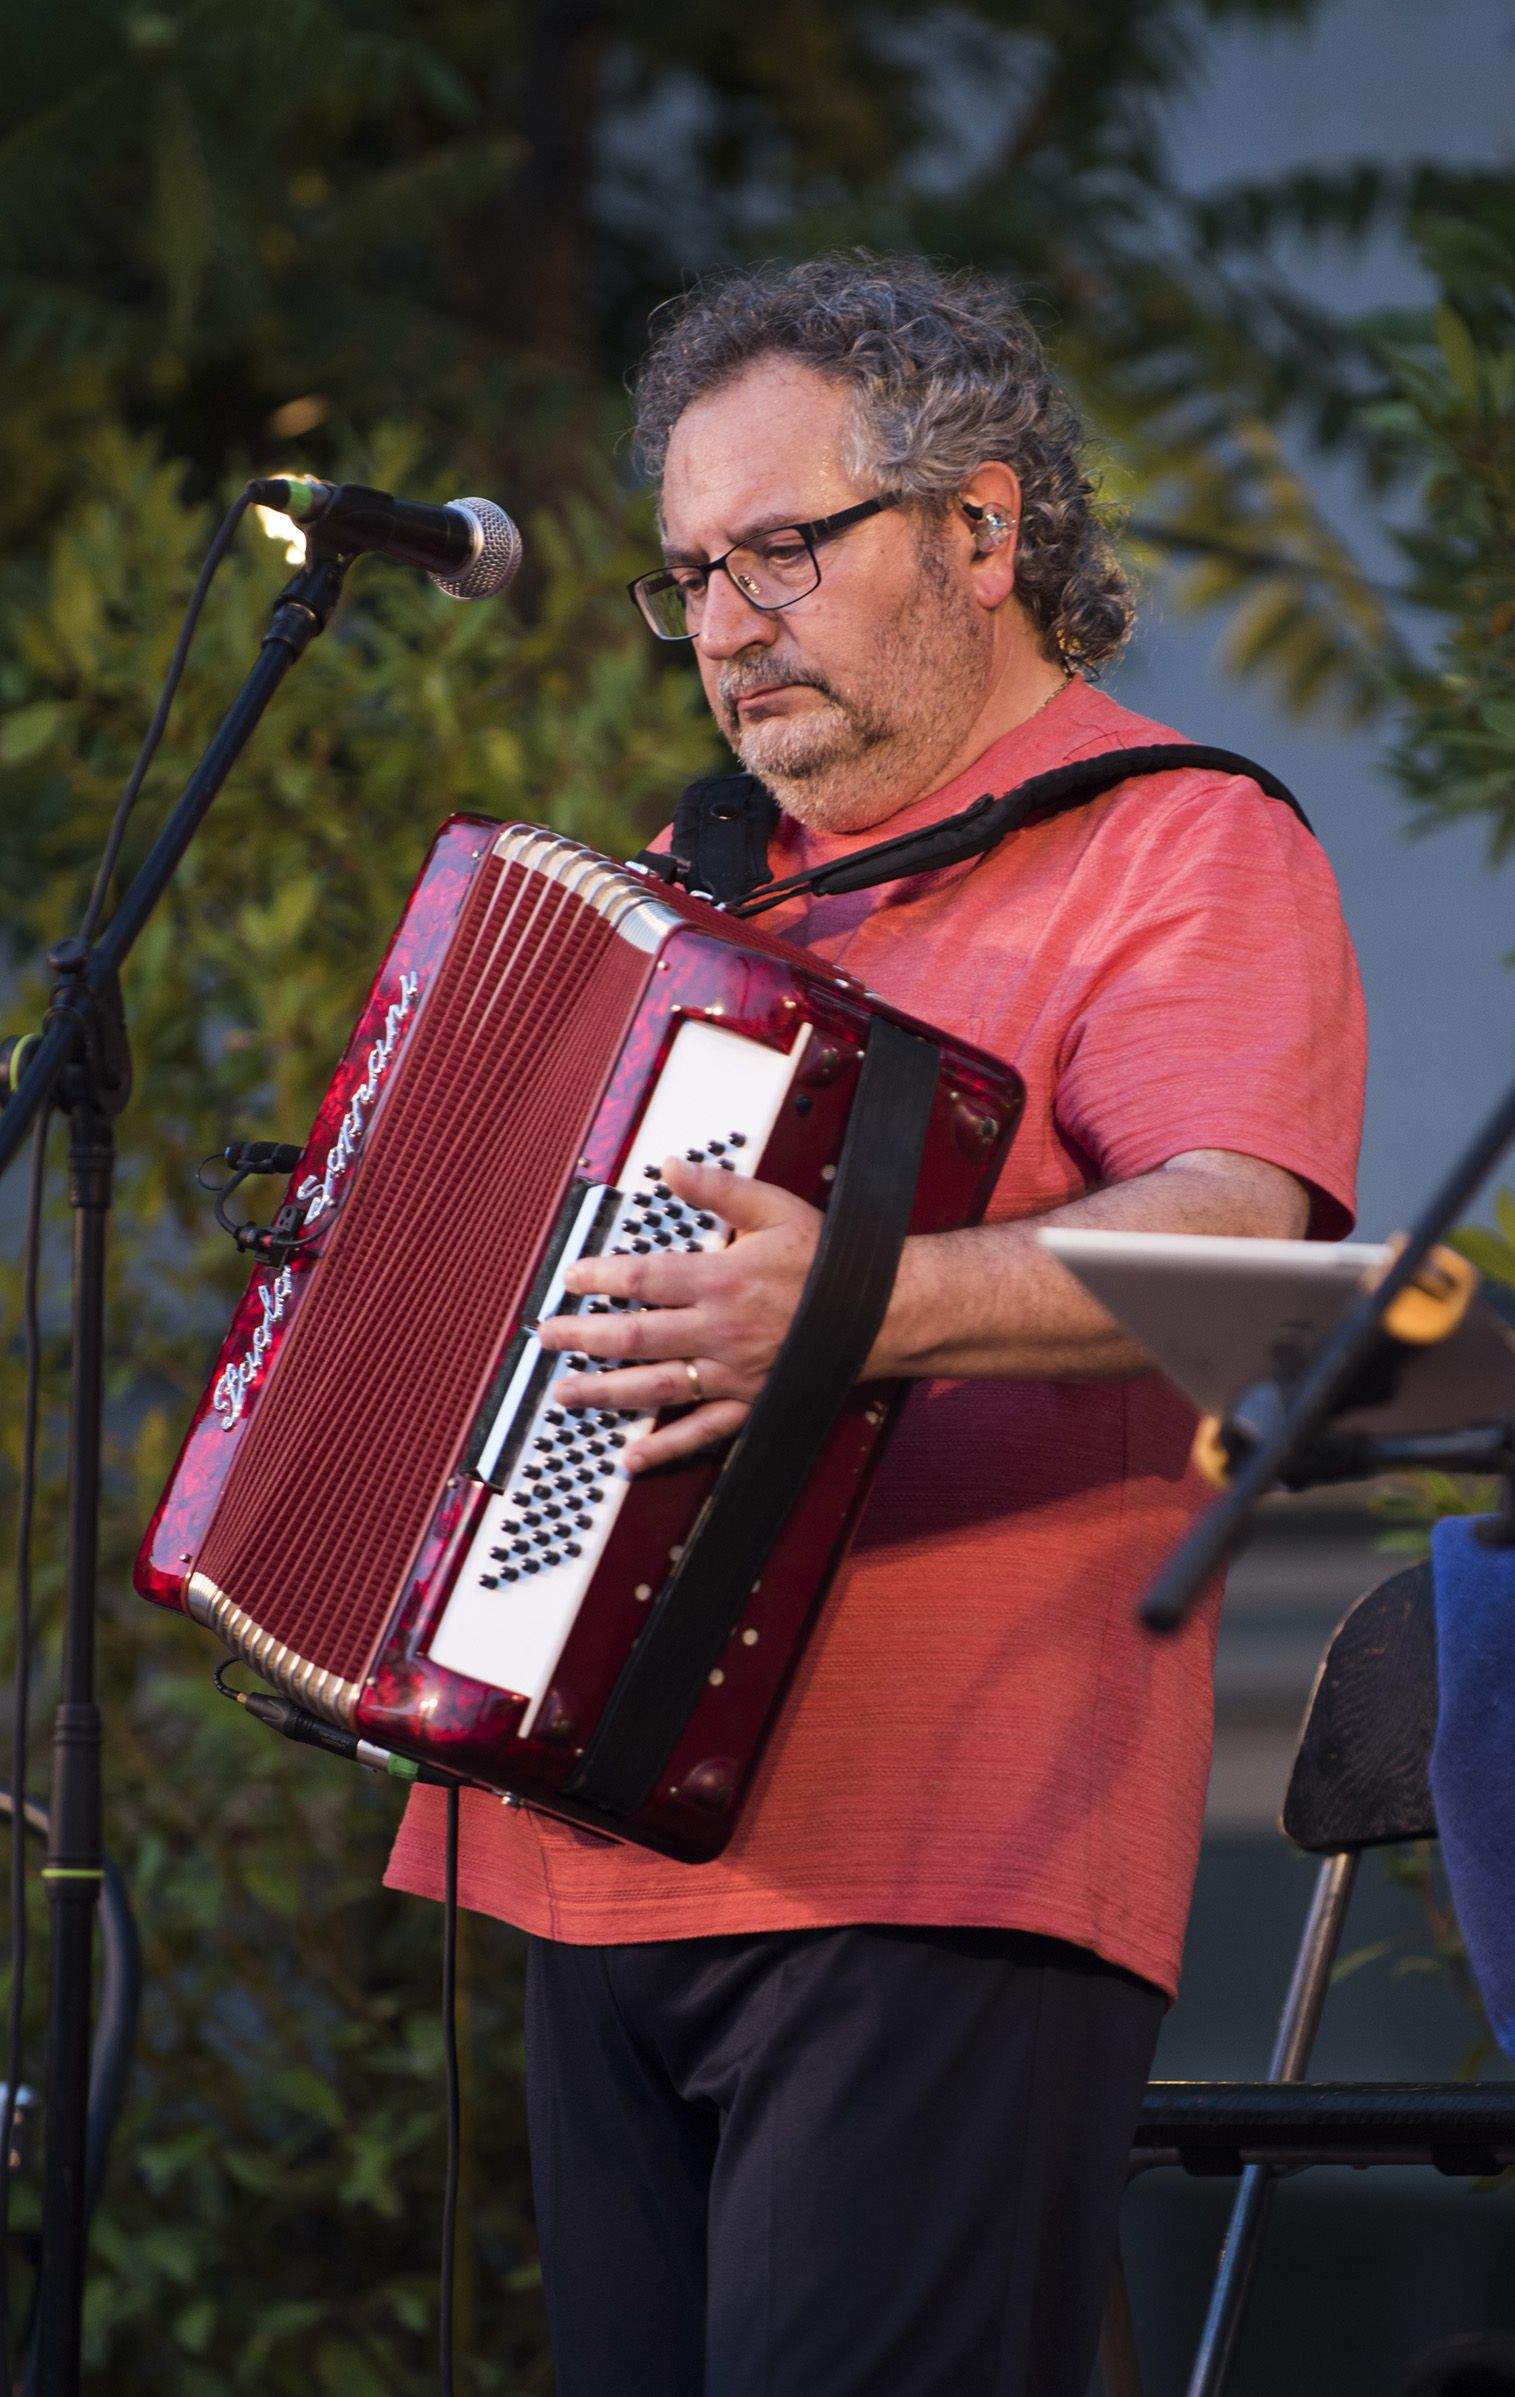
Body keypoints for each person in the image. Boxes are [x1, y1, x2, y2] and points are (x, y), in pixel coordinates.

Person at [387, 252, 1366, 2395]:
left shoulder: (1179, 841)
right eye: (689, 577)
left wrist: (841, 1303)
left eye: (778, 552)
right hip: (595, 1840)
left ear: (981, 531)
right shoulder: (696, 883)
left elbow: (1242, 1248)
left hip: (944, 1847)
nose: (728, 623)